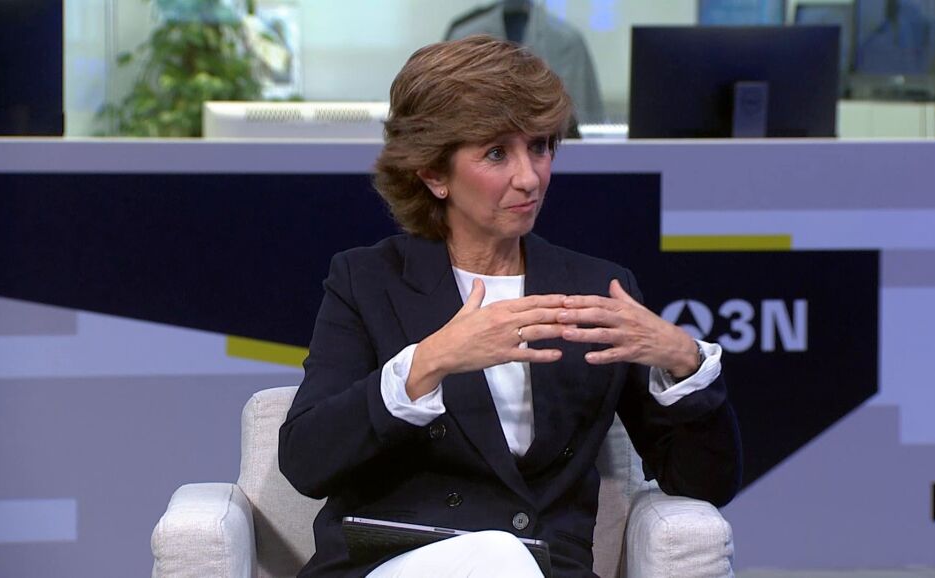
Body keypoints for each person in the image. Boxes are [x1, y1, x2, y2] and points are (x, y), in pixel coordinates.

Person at [278, 35, 741, 578]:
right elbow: (307, 461)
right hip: (396, 562)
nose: (529, 177)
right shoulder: (368, 281)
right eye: (497, 153)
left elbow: (704, 484)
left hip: (542, 567)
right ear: (433, 173)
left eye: (540, 146)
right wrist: (429, 362)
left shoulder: (598, 289)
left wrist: (684, 361)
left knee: (505, 559)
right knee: (497, 556)